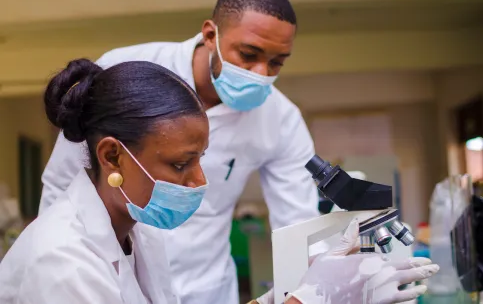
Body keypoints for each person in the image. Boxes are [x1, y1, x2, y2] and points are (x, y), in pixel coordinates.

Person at [37, 0, 429, 303]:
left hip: (204, 284)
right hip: (109, 272)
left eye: (277, 63)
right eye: (249, 54)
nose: (262, 73)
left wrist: (316, 284)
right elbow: (62, 185)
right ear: (211, 34)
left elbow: (298, 225)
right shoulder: (130, 75)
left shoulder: (279, 117)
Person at [0, 59, 439, 304]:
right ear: (112, 154)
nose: (198, 180)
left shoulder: (137, 233)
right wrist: (310, 301)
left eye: (201, 160)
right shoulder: (60, 263)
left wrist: (283, 298)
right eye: (180, 164)